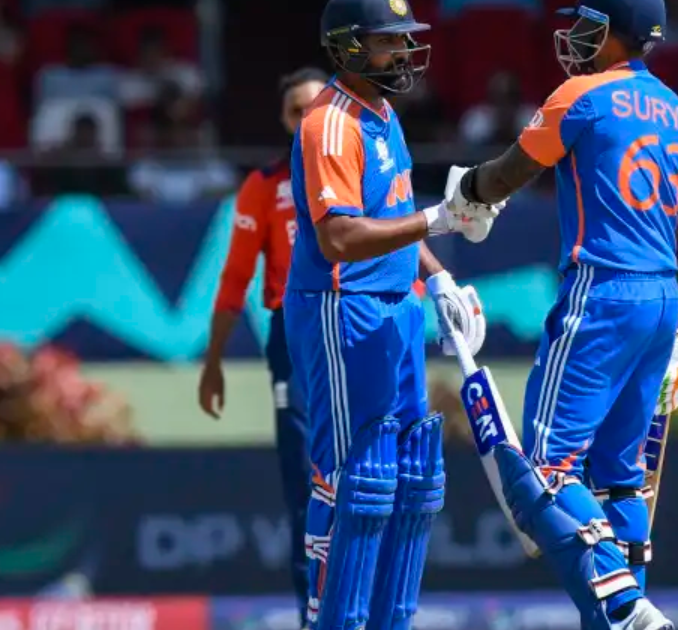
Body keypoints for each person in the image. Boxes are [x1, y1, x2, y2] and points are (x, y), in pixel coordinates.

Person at [443, 0, 678, 628]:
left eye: (590, 26)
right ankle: (628, 616)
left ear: (619, 33)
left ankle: (624, 606)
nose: (577, 37)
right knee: (620, 476)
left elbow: (508, 175)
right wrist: (677, 332)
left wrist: (466, 192)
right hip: (662, 298)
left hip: (602, 290)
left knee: (547, 468)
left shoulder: (580, 95)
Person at [286, 2, 500, 630]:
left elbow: (396, 215)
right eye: (389, 41)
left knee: (411, 476)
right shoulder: (329, 123)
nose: (403, 53)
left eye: (405, 39)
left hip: (398, 305)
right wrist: (439, 218)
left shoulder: (383, 114)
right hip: (343, 308)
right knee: (354, 477)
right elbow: (340, 238)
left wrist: (438, 277)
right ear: (348, 46)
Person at [198, 66, 329, 630]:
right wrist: (213, 362)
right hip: (292, 337)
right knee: (303, 484)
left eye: (315, 107)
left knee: (364, 475)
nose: (306, 120)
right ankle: (312, 617)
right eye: (296, 111)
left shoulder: (361, 172)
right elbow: (234, 279)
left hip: (352, 330)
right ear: (283, 119)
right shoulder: (264, 186)